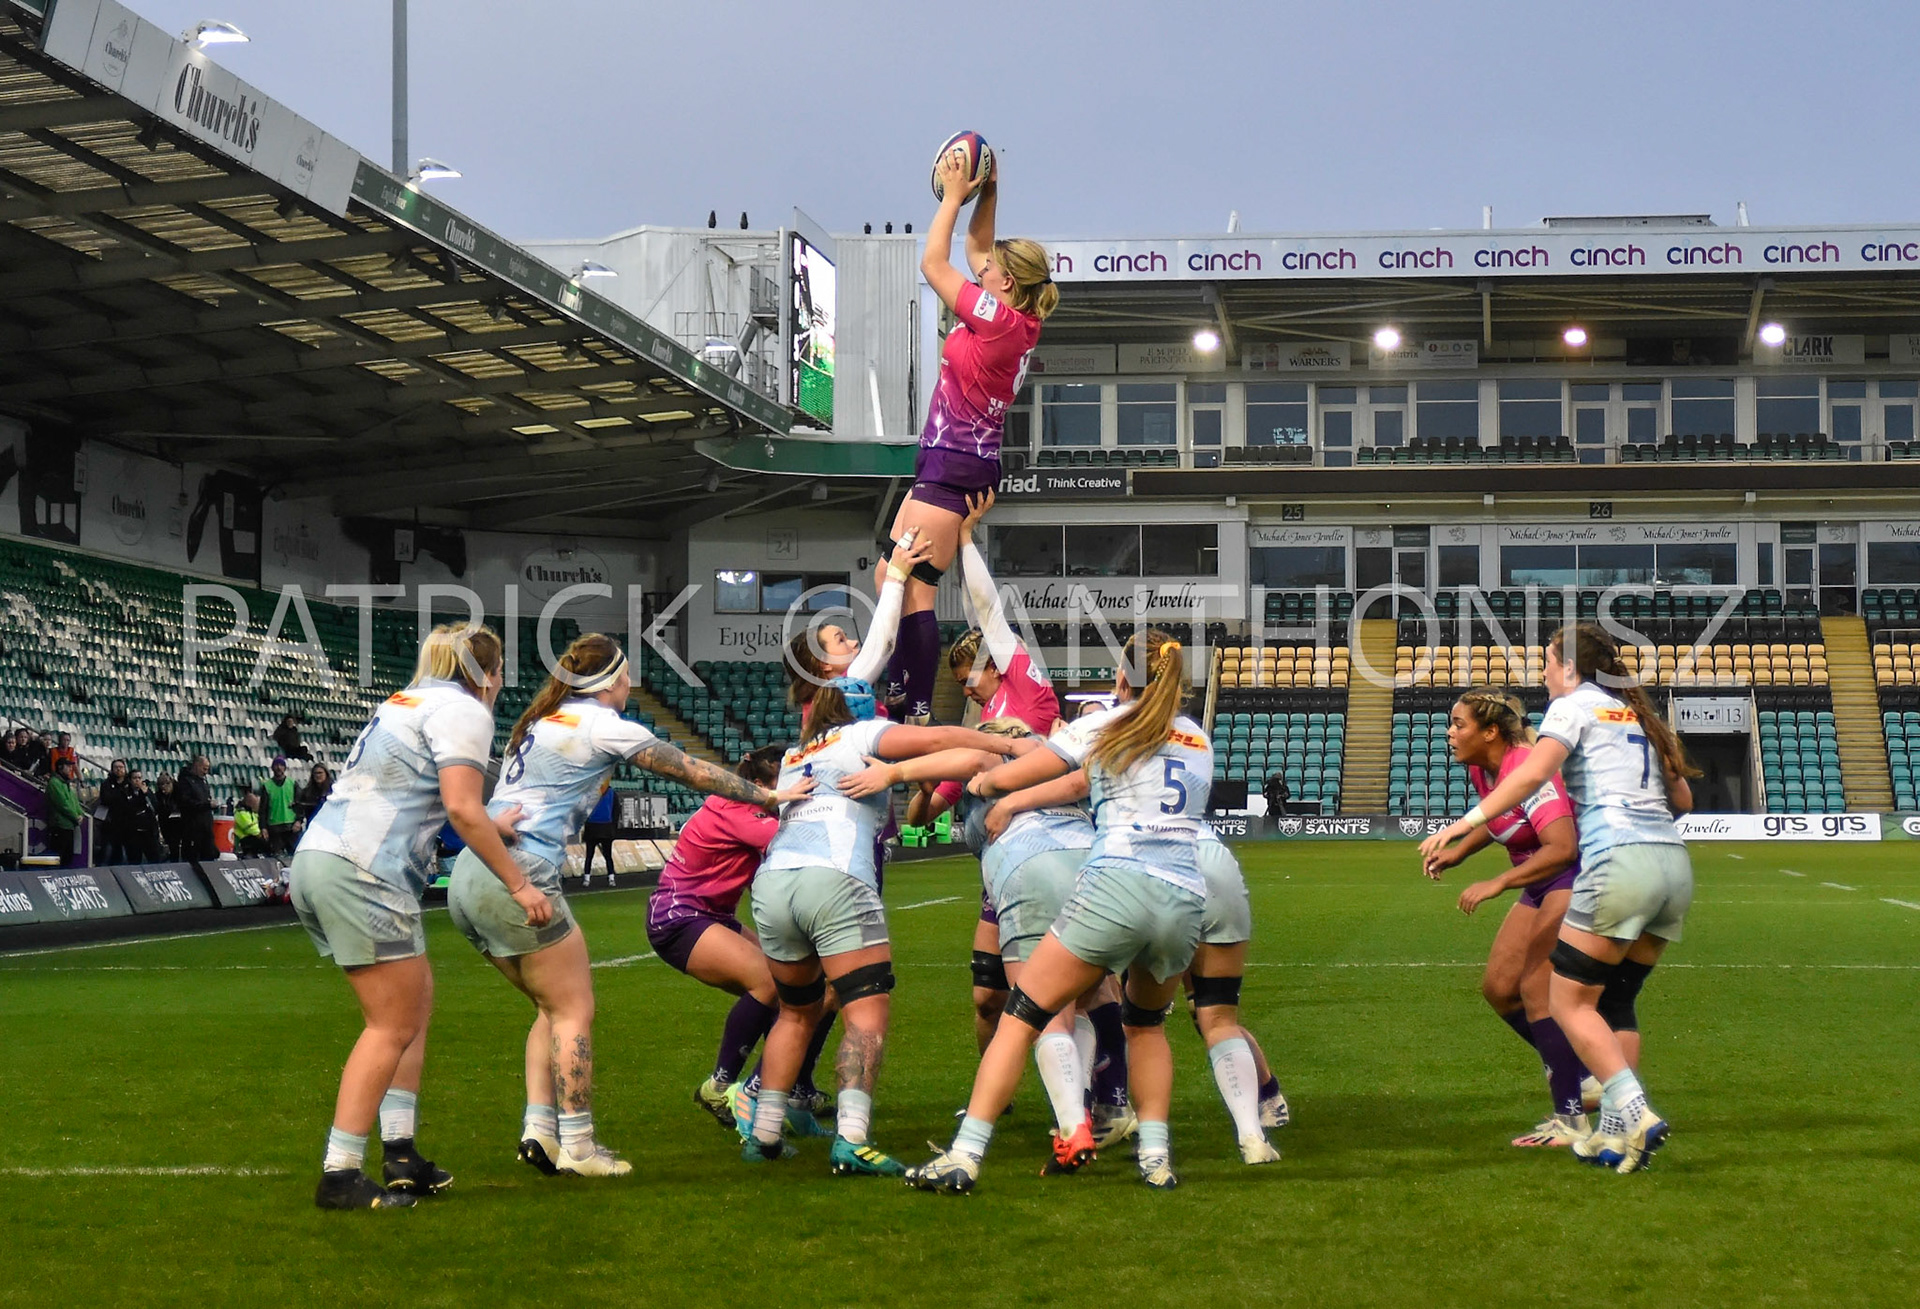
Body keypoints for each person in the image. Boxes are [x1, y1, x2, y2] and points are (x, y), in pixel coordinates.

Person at [453, 635, 810, 1179]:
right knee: (574, 1010)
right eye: (627, 677)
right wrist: (766, 796)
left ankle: (539, 1130)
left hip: (472, 873)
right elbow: (688, 769)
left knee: (551, 1009)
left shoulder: (542, 721)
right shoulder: (602, 725)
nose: (630, 686)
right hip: (521, 870)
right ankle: (577, 1144)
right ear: (612, 681)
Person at [908, 629, 1212, 1193]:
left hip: (1117, 885)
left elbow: (1015, 774)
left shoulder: (1101, 726)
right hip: (1184, 899)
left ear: (1122, 678)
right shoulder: (1197, 737)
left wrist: (983, 780)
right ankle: (1156, 1161)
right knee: (1145, 1028)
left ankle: (965, 1156)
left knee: (1022, 1014)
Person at [1420, 624, 1699, 1175]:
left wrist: (1462, 824)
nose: (1543, 672)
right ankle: (1617, 1139)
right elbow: (1683, 798)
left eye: (1547, 661)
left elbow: (1535, 775)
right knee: (1613, 1003)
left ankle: (1633, 1109)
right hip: (1673, 865)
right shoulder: (1638, 714)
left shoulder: (1572, 708)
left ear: (1569, 667)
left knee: (1564, 1001)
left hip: (1618, 864)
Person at [291, 622, 536, 1211]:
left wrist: (489, 823)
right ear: (488, 672)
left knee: (414, 1006)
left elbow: (424, 797)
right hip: (363, 870)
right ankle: (341, 1173)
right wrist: (519, 883)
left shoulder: (407, 700)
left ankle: (400, 1151)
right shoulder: (465, 711)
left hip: (327, 856)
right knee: (390, 1025)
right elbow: (459, 806)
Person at [739, 675, 1019, 1177]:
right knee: (865, 1014)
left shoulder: (795, 754)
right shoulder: (860, 734)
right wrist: (999, 741)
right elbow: (937, 740)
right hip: (837, 878)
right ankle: (851, 1140)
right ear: (861, 710)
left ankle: (763, 1134)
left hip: (774, 882)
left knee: (794, 1013)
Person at [876, 147, 1055, 725]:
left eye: (990, 268)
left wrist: (954, 197)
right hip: (956, 461)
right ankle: (909, 695)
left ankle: (914, 705)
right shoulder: (1017, 314)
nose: (981, 266)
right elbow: (978, 248)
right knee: (891, 577)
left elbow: (934, 264)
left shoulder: (1000, 320)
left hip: (954, 462)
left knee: (914, 586)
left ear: (1007, 281)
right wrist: (990, 192)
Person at [1420, 689, 1594, 1147]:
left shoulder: (1528, 771)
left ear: (1491, 732)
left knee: (1536, 989)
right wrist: (1459, 853)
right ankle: (1587, 1076)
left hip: (1569, 880)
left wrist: (1497, 883)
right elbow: (1500, 820)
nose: (1450, 733)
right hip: (1539, 885)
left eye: (1459, 725)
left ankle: (1571, 1117)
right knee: (1500, 990)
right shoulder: (1484, 768)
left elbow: (1562, 849)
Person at [649, 746, 841, 1127]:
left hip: (711, 915)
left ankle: (796, 1087)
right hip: (679, 915)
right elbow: (797, 842)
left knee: (821, 988)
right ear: (756, 786)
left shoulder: (740, 808)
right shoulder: (737, 809)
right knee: (772, 983)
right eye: (782, 785)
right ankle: (720, 1086)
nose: (791, 792)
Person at [1184, 824, 1289, 1164]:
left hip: (1157, 866)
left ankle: (1129, 1121)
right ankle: (1265, 1106)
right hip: (1215, 863)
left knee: (1138, 1018)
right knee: (1214, 1015)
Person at [109, 770, 164, 863]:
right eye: (135, 778)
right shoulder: (124, 792)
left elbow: (155, 807)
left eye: (139, 778)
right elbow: (127, 809)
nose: (137, 780)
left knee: (154, 858)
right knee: (134, 859)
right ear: (130, 780)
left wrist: (146, 794)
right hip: (133, 832)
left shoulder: (147, 791)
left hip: (149, 831)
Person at [174, 755, 216, 862]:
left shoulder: (203, 781)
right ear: (197, 765)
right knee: (192, 857)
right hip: (192, 827)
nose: (206, 772)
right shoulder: (185, 781)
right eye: (204, 769)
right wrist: (206, 805)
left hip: (206, 826)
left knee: (209, 856)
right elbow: (186, 803)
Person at [45, 757, 84, 867]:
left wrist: (80, 813)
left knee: (68, 855)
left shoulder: (65, 783)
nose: (71, 769)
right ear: (60, 768)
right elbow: (62, 804)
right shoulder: (54, 783)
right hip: (60, 825)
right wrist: (75, 816)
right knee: (60, 855)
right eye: (68, 766)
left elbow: (74, 801)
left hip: (69, 825)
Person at [259, 757, 300, 856]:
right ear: (272, 768)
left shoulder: (293, 783)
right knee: (277, 857)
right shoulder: (267, 785)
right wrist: (263, 827)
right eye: (276, 765)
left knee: (294, 855)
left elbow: (299, 805)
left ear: (285, 768)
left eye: (281, 765)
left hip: (291, 825)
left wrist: (299, 820)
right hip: (274, 827)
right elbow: (263, 809)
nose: (279, 768)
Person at [578, 783, 617, 887]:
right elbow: (616, 811)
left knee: (591, 855)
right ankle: (611, 878)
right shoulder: (611, 792)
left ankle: (587, 879)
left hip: (594, 827)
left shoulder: (590, 792)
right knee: (606, 855)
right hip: (604, 827)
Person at [98, 759, 132, 863]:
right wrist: (120, 795)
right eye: (116, 767)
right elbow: (106, 799)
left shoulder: (130, 784)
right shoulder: (106, 784)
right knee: (111, 852)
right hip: (111, 823)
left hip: (128, 823)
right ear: (112, 769)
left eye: (121, 767)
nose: (119, 769)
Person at [155, 773, 183, 861]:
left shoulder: (179, 793)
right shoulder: (159, 795)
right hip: (166, 823)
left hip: (179, 822)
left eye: (166, 784)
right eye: (161, 785)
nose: (164, 787)